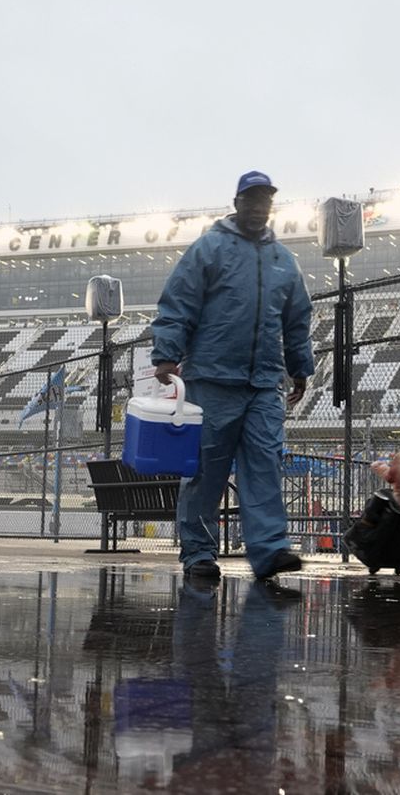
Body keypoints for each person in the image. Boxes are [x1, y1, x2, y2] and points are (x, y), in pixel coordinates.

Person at [151, 170, 314, 582]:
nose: (259, 208)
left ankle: (270, 550)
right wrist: (167, 356)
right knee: (206, 472)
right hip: (211, 380)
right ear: (237, 202)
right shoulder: (209, 249)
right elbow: (179, 302)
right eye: (252, 200)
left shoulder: (284, 261)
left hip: (263, 384)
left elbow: (297, 319)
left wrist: (300, 368)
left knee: (265, 465)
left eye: (266, 201)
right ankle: (199, 553)